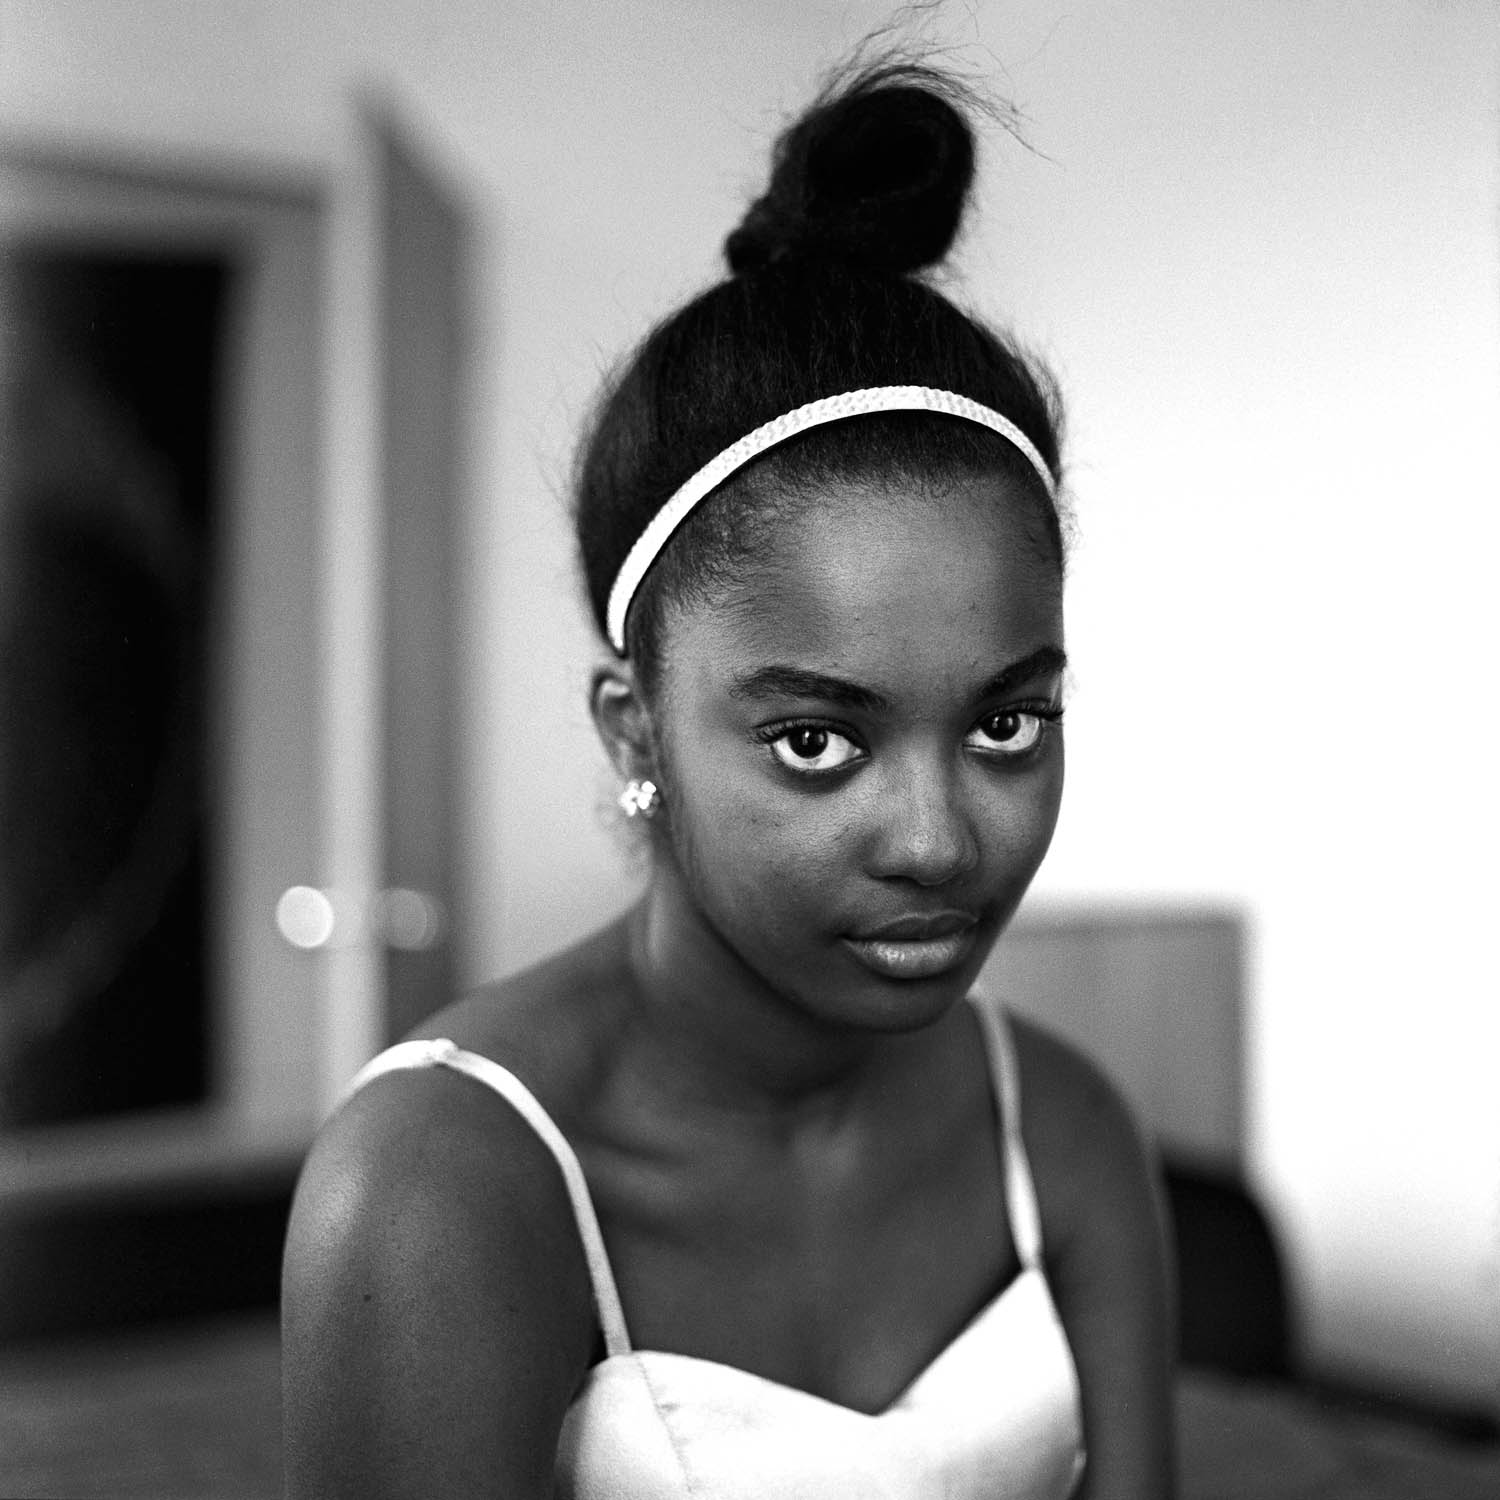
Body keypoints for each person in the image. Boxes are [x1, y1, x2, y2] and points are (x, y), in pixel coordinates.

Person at [282, 59, 1175, 1500]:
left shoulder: (1062, 1131)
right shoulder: (443, 1187)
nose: (941, 842)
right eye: (818, 740)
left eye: (1008, 724)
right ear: (636, 733)